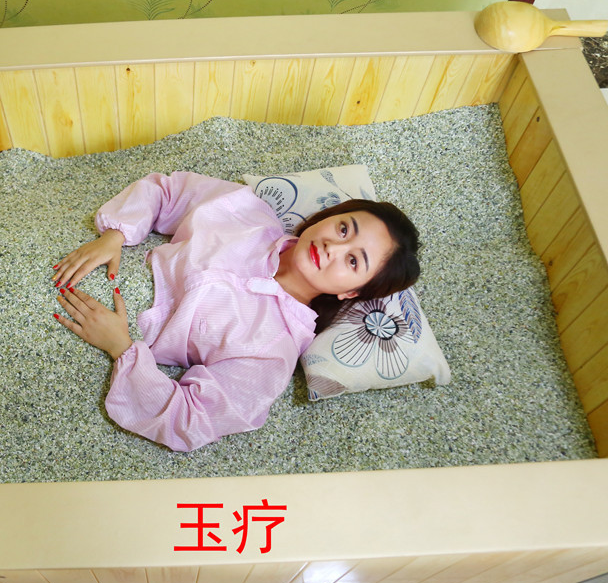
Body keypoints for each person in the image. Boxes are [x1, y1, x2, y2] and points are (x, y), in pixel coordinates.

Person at [52, 171, 419, 452]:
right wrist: (116, 234)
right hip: (81, 253)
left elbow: (190, 420)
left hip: (88, 342)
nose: (332, 248)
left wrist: (121, 348)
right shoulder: (247, 212)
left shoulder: (273, 351)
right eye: (343, 229)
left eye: (353, 261)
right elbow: (168, 190)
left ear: (351, 292)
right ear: (329, 216)